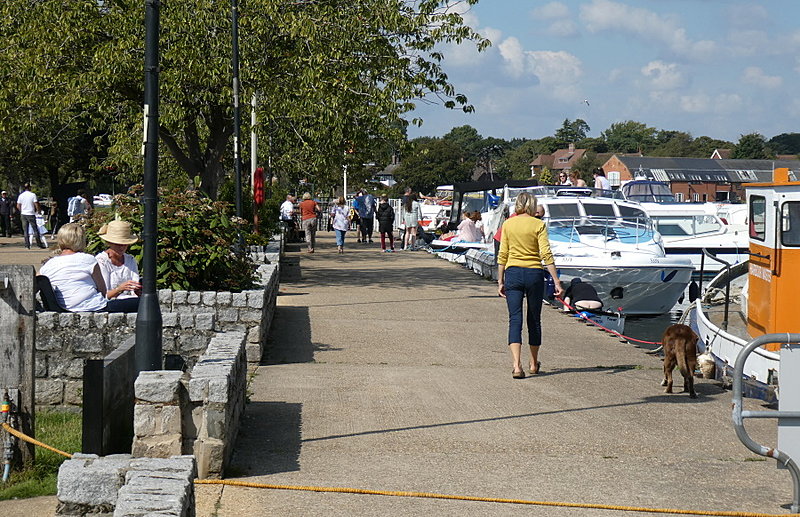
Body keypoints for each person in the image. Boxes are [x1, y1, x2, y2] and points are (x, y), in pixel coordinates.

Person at [497, 192, 563, 379]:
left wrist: (500, 280)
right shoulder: (538, 224)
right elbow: (546, 254)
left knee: (515, 319)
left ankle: (516, 366)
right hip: (534, 273)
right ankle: (533, 363)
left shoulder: (508, 224)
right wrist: (556, 281)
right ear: (533, 205)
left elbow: (503, 254)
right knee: (534, 319)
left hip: (513, 273)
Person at [39, 223, 138, 312]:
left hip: (63, 307)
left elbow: (37, 279)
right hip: (94, 306)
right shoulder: (89, 260)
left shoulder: (48, 265)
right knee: (145, 303)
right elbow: (103, 292)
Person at [96, 220, 142, 301]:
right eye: (118, 244)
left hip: (132, 301)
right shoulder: (101, 261)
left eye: (125, 244)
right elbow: (104, 295)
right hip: (110, 303)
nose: (122, 247)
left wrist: (138, 290)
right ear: (109, 243)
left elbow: (135, 288)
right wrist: (119, 289)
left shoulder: (131, 260)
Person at [17, 183, 47, 249]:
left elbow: (18, 205)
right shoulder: (33, 195)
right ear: (29, 187)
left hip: (24, 214)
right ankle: (39, 244)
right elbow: (36, 204)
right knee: (35, 229)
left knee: (25, 230)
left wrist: (21, 211)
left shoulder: (21, 195)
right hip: (31, 213)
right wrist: (38, 211)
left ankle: (27, 245)